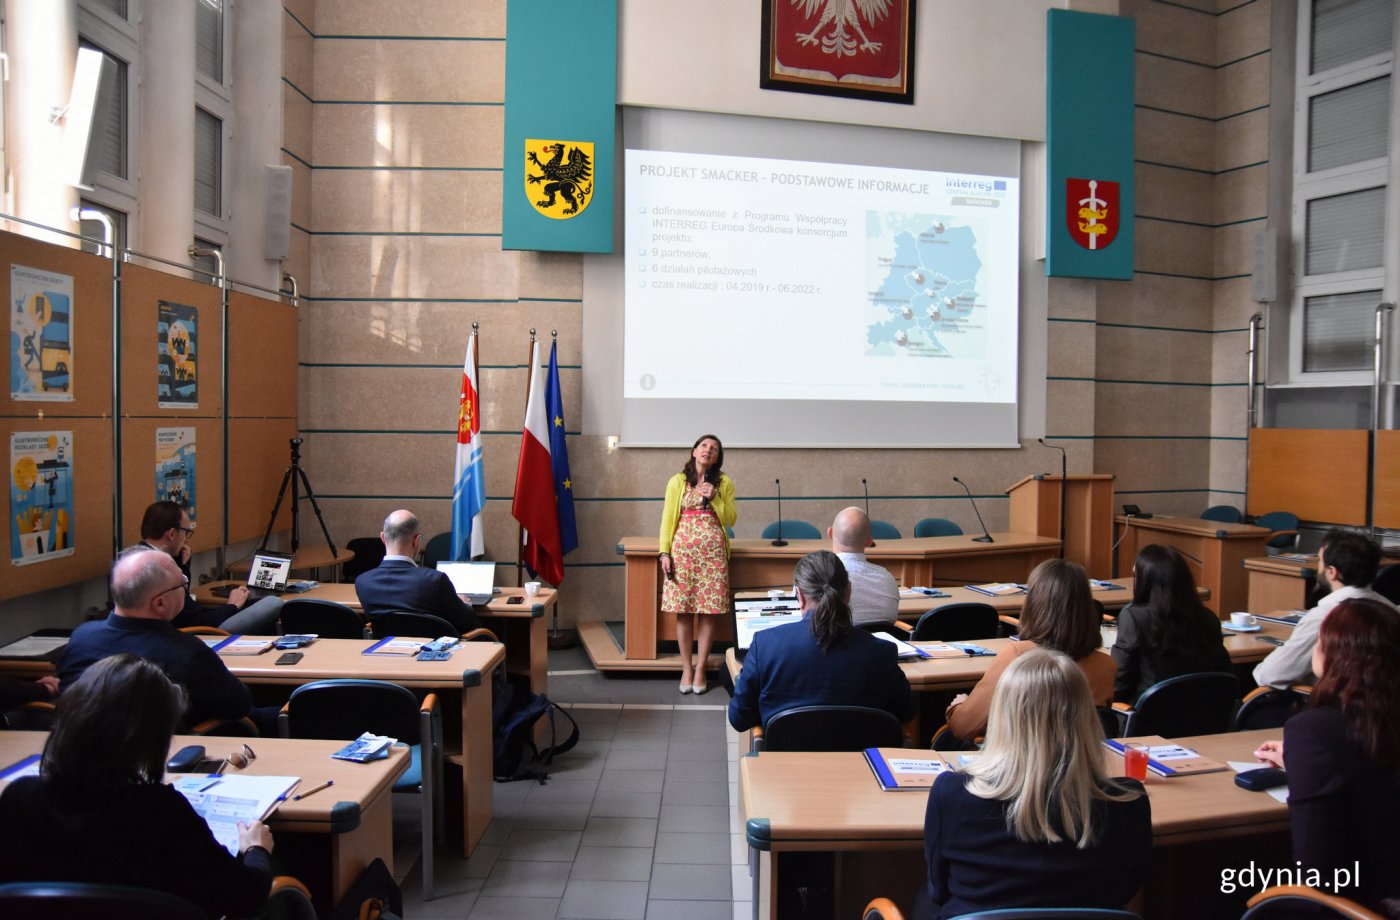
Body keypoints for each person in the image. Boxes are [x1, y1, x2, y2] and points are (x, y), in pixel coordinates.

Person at [0, 654, 276, 918]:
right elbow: (245, 898)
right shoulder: (160, 811)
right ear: (151, 738)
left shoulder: (18, 798)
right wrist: (256, 850)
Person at [917, 648, 1151, 919]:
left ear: (1003, 717)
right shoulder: (1130, 802)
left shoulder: (952, 794)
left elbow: (938, 889)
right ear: (1087, 717)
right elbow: (1129, 889)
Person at [1252, 598, 1400, 914]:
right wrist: (1303, 761)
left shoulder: (1313, 730)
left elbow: (1315, 874)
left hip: (1366, 906)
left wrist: (1310, 755)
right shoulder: (1334, 735)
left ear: (1336, 655)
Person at [60, 547, 274, 734]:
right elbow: (238, 705)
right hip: (182, 749)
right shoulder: (186, 652)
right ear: (160, 603)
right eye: (182, 583)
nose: (185, 587)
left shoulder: (81, 638)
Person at [728, 550, 914, 732]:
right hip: (860, 761)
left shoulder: (765, 645)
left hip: (785, 761)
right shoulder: (880, 651)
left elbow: (739, 719)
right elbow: (907, 711)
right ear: (848, 593)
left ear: (799, 596)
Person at [945, 558, 1113, 740]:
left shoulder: (1017, 656)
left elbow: (963, 727)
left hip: (1022, 763)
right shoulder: (1106, 665)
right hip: (1078, 764)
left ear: (1034, 603)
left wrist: (958, 706)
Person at [1254, 529, 1396, 689]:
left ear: (1332, 572)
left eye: (1320, 561)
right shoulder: (1390, 610)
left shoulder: (1325, 616)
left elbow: (1270, 675)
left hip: (1334, 706)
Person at [659, 434, 736, 695]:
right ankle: (687, 668)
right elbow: (667, 519)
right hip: (682, 554)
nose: (708, 450)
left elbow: (731, 519)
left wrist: (715, 497)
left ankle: (701, 668)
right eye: (704, 446)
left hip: (713, 555)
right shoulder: (677, 481)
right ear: (694, 451)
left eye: (714, 448)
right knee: (683, 610)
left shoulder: (724, 483)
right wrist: (664, 553)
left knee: (709, 612)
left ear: (717, 457)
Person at [136, 500, 283, 634]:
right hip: (200, 633)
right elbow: (198, 621)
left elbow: (184, 604)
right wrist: (232, 605)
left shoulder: (133, 559)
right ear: (172, 534)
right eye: (186, 532)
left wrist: (181, 563)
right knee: (272, 603)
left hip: (159, 634)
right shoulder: (162, 569)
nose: (186, 539)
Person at [1110, 544, 1231, 703]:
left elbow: (1119, 683)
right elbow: (1225, 676)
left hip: (1147, 719)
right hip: (1204, 719)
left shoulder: (1133, 617)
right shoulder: (1209, 619)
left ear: (1145, 581)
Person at [354, 509, 480, 632]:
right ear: (417, 540)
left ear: (382, 537)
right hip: (431, 650)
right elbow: (465, 623)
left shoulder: (363, 582)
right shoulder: (434, 580)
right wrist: (466, 604)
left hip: (385, 650)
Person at [829, 507, 901, 632]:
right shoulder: (887, 578)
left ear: (830, 534)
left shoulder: (816, 575)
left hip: (835, 649)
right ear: (869, 541)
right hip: (881, 650)